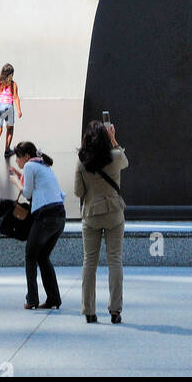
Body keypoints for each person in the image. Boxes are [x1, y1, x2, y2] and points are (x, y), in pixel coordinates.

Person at [75, 120, 129, 325]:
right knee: (115, 260)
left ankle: (89, 310)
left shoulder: (81, 162)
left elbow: (78, 192)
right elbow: (126, 162)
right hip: (114, 213)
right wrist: (114, 139)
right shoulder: (115, 157)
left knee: (89, 262)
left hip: (91, 215)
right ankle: (115, 311)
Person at [14, 142, 66, 311]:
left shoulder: (30, 166)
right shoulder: (43, 165)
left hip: (46, 216)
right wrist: (20, 177)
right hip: (59, 216)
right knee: (42, 257)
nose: (16, 161)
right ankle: (53, 298)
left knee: (30, 255)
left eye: (18, 157)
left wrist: (16, 182)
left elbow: (27, 193)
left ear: (26, 156)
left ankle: (32, 299)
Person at [0, 63, 22, 165]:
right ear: (11, 74)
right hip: (7, 107)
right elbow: (15, 97)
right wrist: (19, 110)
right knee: (10, 128)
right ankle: (7, 151)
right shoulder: (13, 84)